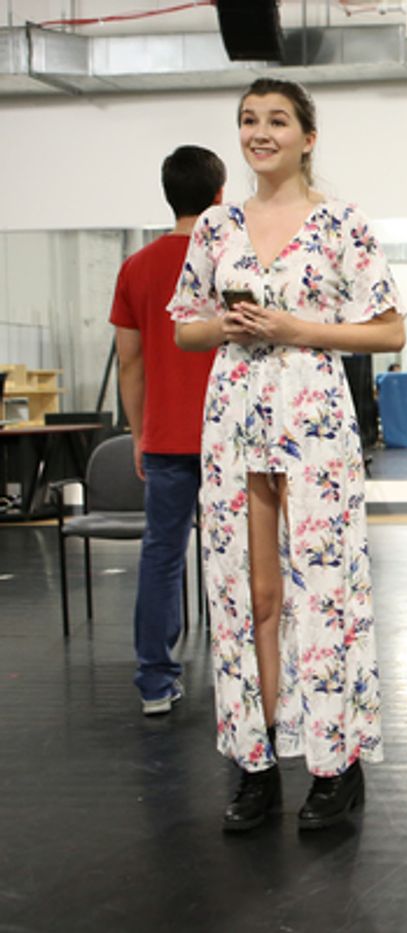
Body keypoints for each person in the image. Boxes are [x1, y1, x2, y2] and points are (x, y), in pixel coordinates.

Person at [169, 78, 406, 832]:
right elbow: (184, 328)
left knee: (324, 587)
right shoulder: (216, 226)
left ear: (307, 137)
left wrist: (297, 328)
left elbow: (388, 330)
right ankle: (257, 759)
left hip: (313, 413)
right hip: (234, 414)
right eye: (249, 120)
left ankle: (336, 763)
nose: (260, 132)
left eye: (277, 120)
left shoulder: (341, 223)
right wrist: (229, 325)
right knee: (250, 594)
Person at [110, 145, 226, 716]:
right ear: (220, 196)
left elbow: (129, 362)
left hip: (165, 438)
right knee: (243, 557)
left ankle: (155, 681)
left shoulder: (136, 267)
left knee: (162, 555)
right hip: (229, 436)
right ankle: (248, 678)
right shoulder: (231, 261)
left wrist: (139, 433)